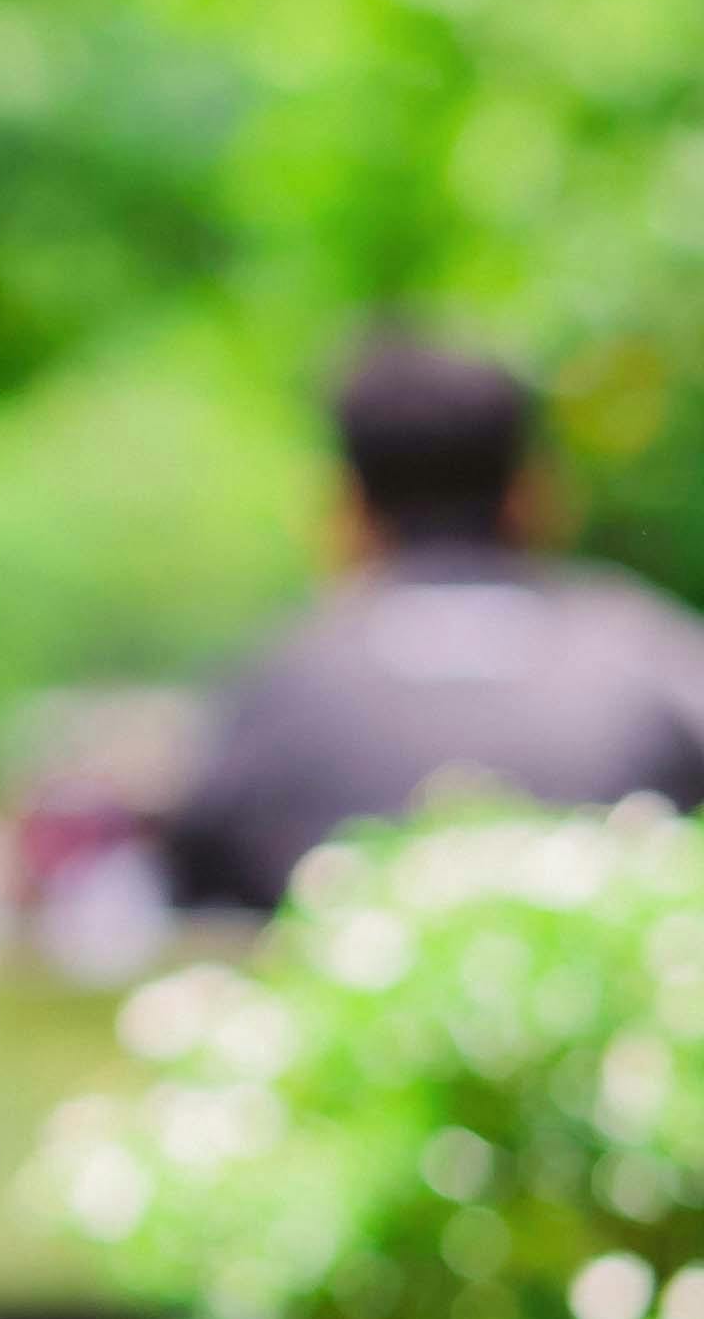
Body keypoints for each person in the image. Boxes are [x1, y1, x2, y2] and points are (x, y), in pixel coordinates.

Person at [162, 336, 704, 915]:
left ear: (345, 508)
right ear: (535, 494)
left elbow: (191, 886)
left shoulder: (270, 692)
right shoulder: (656, 661)